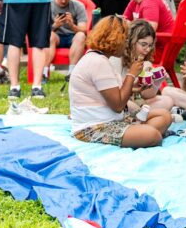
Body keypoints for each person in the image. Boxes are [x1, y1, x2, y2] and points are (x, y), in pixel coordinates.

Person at [69, 16, 173, 148]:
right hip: (94, 128)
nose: (126, 45)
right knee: (154, 136)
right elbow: (118, 106)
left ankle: (136, 134)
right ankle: (138, 134)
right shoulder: (98, 62)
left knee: (165, 116)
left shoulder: (99, 59)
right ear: (115, 40)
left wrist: (135, 88)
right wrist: (131, 74)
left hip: (113, 120)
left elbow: (112, 92)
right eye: (125, 40)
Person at [120, 19, 174, 112]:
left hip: (134, 104)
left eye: (150, 45)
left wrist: (157, 82)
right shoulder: (118, 58)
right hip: (119, 102)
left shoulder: (146, 64)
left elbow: (146, 95)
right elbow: (114, 91)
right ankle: (142, 115)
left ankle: (141, 115)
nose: (147, 49)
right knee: (131, 105)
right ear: (131, 41)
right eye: (143, 44)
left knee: (167, 100)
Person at [47, 0, 89, 77]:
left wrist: (72, 25)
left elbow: (84, 30)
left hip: (72, 37)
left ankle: (71, 74)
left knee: (81, 36)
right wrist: (55, 26)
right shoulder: (48, 5)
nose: (64, 0)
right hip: (56, 37)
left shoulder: (78, 6)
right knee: (50, 35)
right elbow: (41, 31)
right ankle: (44, 72)